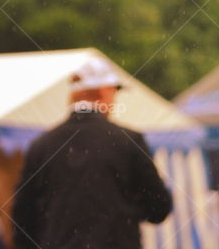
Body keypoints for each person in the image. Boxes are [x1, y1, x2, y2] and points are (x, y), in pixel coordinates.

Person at [12, 58, 172, 249]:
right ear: (105, 91)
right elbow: (159, 209)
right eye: (114, 94)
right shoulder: (128, 141)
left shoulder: (40, 145)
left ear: (74, 95)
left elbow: (22, 219)